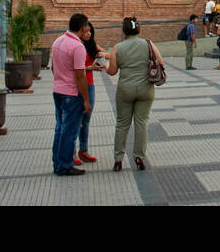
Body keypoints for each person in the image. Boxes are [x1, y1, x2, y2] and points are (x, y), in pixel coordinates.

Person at [102, 15, 160, 171]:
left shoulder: (118, 48)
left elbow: (113, 72)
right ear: (138, 29)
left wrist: (105, 66)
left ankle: (118, 159)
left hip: (125, 90)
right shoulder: (148, 44)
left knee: (122, 124)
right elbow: (160, 62)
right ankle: (139, 158)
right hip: (145, 90)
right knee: (141, 124)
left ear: (124, 31)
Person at [51, 13, 92, 176]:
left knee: (60, 128)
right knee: (69, 131)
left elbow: (54, 68)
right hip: (72, 93)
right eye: (87, 28)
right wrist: (86, 100)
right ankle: (64, 165)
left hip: (58, 90)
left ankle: (58, 161)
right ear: (82, 29)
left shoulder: (57, 41)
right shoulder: (77, 47)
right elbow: (80, 75)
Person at [76, 21, 101, 165]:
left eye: (90, 31)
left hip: (90, 85)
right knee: (75, 119)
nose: (88, 34)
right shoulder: (75, 46)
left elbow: (108, 54)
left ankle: (83, 150)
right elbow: (75, 69)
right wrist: (89, 68)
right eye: (86, 31)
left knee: (86, 119)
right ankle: (72, 152)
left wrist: (106, 57)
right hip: (78, 85)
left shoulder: (91, 44)